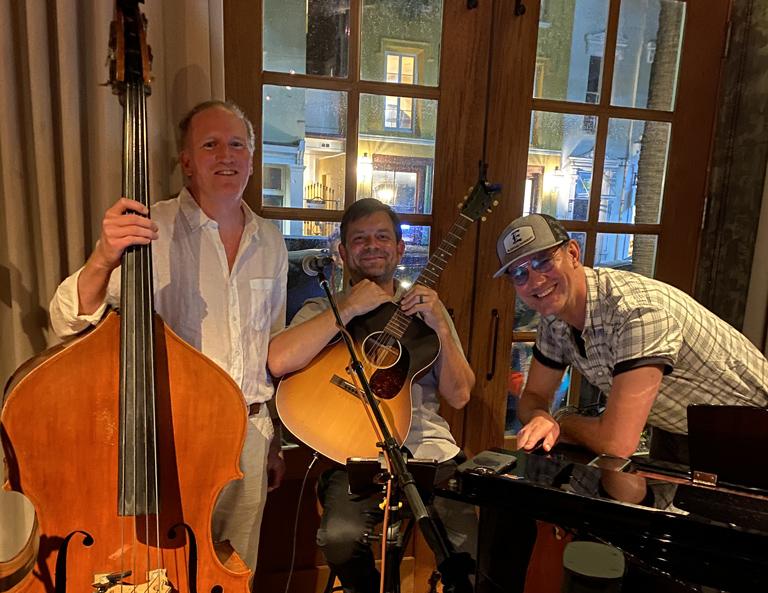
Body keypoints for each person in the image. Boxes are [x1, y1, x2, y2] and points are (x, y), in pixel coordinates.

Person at [49, 100, 287, 571]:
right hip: (174, 436)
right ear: (186, 161)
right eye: (210, 145)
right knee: (170, 570)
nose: (227, 155)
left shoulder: (272, 241)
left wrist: (273, 436)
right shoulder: (147, 229)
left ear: (252, 159)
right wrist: (103, 258)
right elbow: (68, 319)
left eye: (237, 144)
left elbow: (270, 345)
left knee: (235, 572)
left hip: (251, 433)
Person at [267, 198, 477, 593]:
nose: (372, 246)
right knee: (339, 540)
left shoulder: (427, 312)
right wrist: (348, 307)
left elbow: (460, 395)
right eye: (360, 239)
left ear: (400, 248)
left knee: (467, 554)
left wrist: (441, 326)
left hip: (427, 451)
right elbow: (278, 360)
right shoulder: (324, 306)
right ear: (343, 252)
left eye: (382, 237)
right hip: (351, 454)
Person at [493, 213, 768, 464]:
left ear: (573, 253)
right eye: (519, 273)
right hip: (679, 426)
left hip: (753, 432)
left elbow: (616, 442)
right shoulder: (554, 318)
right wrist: (540, 417)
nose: (535, 280)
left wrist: (561, 421)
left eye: (543, 260)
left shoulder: (637, 311)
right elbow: (533, 396)